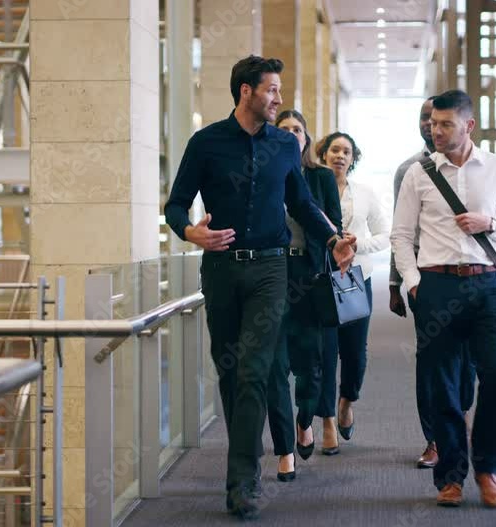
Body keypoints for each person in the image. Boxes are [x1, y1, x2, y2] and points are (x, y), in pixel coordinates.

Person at [164, 56, 356, 520]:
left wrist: (332, 238)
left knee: (253, 371)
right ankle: (243, 465)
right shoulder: (206, 143)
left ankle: (243, 481)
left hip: (272, 271)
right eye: (271, 90)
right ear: (246, 92)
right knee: (231, 375)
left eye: (279, 89)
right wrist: (191, 233)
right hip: (222, 271)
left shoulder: (285, 147)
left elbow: (303, 203)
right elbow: (175, 205)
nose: (278, 98)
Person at [391, 89, 496, 509]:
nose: (436, 130)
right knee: (442, 384)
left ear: (468, 126)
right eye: (433, 123)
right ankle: (450, 475)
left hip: (487, 285)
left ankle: (488, 469)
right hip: (436, 286)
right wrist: (413, 282)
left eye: (445, 124)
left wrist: (492, 224)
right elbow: (401, 235)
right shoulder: (419, 173)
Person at [389, 96, 476, 469]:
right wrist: (400, 284)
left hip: (470, 281)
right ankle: (435, 439)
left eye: (437, 119)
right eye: (424, 118)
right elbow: (401, 232)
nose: (430, 125)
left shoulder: (479, 167)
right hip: (427, 281)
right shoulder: (409, 170)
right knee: (431, 364)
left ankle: (458, 421)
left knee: (467, 366)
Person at [266, 110, 343, 481]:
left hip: (310, 275)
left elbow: (334, 225)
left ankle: (304, 419)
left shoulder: (321, 176)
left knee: (312, 363)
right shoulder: (265, 174)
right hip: (272, 275)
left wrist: (335, 242)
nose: (293, 134)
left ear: (308, 138)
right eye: (285, 129)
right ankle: (285, 450)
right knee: (277, 365)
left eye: (299, 129)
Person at [314, 132, 389, 454]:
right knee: (324, 353)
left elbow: (385, 234)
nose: (340, 156)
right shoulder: (310, 190)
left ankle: (347, 401)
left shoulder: (365, 194)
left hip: (356, 278)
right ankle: (328, 420)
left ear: (353, 158)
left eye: (346, 151)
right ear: (324, 154)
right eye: (334, 150)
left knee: (355, 352)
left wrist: (360, 247)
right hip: (318, 279)